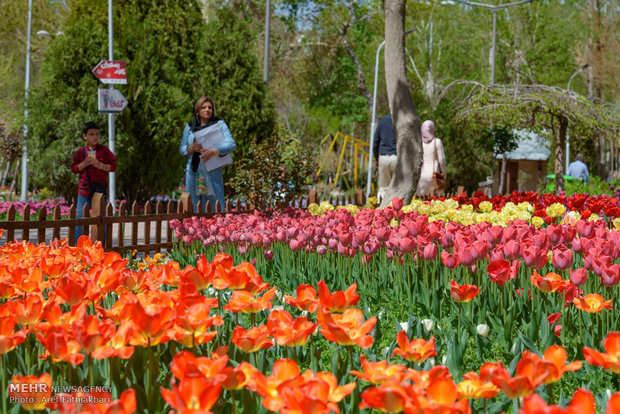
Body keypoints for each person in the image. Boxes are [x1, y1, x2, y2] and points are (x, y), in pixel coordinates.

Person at [179, 96, 236, 212]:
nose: (207, 110)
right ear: (198, 111)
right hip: (193, 170)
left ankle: (215, 229)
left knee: (214, 207)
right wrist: (190, 148)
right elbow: (182, 148)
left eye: (210, 107)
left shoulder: (219, 124)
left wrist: (213, 151)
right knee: (195, 207)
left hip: (212, 170)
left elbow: (231, 144)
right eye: (203, 107)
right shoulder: (190, 126)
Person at [71, 121, 116, 242]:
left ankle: (100, 246)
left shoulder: (104, 151)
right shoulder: (81, 152)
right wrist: (84, 163)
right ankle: (78, 248)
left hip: (100, 191)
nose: (95, 137)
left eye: (97, 134)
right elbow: (74, 169)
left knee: (101, 220)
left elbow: (113, 166)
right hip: (84, 191)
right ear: (85, 136)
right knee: (80, 219)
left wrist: (100, 165)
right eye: (91, 134)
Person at [416, 120, 446, 196]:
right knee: (435, 201)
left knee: (422, 201)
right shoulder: (437, 142)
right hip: (434, 175)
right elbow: (442, 160)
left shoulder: (419, 143)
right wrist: (444, 173)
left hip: (421, 176)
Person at [372, 114, 397, 201]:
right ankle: (398, 212)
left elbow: (375, 142)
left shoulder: (383, 120)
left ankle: (381, 211)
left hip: (383, 157)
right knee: (397, 188)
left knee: (383, 188)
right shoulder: (402, 120)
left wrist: (376, 158)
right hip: (397, 158)